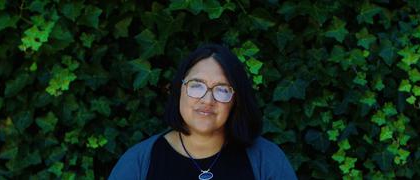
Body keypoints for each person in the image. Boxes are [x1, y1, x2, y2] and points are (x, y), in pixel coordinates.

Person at [109, 43, 297, 180]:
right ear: (179, 89)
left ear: (236, 100)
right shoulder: (139, 162)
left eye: (222, 89)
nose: (207, 100)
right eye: (196, 85)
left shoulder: (267, 160)